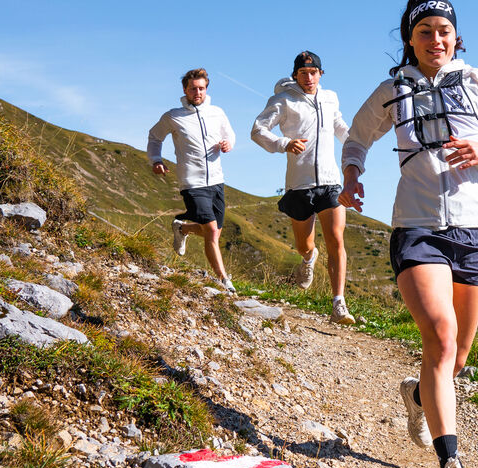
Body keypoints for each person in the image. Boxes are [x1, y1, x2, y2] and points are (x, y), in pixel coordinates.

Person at [342, 0, 478, 468]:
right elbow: (356, 138)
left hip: (474, 229)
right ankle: (451, 465)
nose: (435, 39)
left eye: (443, 31)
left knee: (457, 356)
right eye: (425, 32)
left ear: (455, 36)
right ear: (409, 39)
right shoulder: (391, 90)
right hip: (417, 227)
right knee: (440, 338)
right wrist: (353, 172)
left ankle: (418, 395)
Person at [250, 51, 355, 325]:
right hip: (300, 184)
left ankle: (338, 304)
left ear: (321, 73)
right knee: (303, 244)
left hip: (331, 182)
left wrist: (357, 141)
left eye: (313, 72)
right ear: (295, 75)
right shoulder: (283, 100)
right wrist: (284, 143)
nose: (309, 78)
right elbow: (258, 130)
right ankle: (308, 258)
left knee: (336, 240)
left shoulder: (330, 98)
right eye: (303, 73)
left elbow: (339, 126)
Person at [147, 68, 238, 292]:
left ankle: (183, 229)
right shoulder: (173, 116)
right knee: (210, 229)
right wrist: (156, 160)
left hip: (217, 179)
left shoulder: (217, 112)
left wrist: (228, 144)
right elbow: (154, 136)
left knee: (215, 231)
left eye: (201, 88)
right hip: (192, 181)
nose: (197, 92)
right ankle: (224, 280)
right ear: (185, 90)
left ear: (206, 88)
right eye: (192, 89)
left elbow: (230, 135)